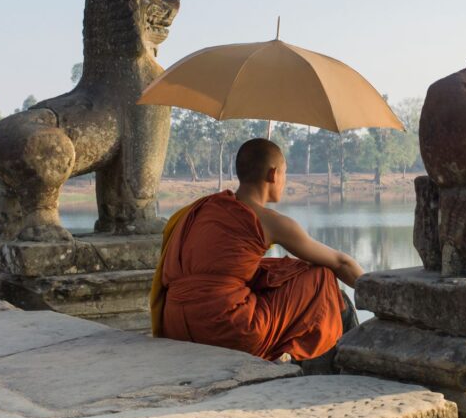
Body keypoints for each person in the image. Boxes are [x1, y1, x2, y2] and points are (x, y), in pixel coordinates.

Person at [149, 138, 363, 362]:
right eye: (285, 173)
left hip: (174, 324)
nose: (284, 181)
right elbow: (340, 263)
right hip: (224, 329)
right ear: (273, 174)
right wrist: (380, 296)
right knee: (321, 277)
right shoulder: (270, 221)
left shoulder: (207, 207)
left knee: (279, 268)